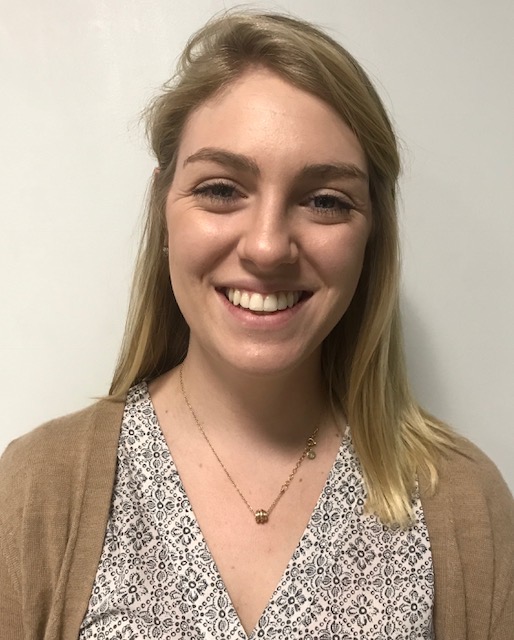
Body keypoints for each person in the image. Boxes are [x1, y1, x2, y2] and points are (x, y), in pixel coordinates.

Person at [0, 10, 512, 640]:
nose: (268, 248)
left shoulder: (462, 501)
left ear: (372, 234)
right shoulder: (38, 489)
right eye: (221, 190)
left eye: (324, 200)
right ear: (164, 208)